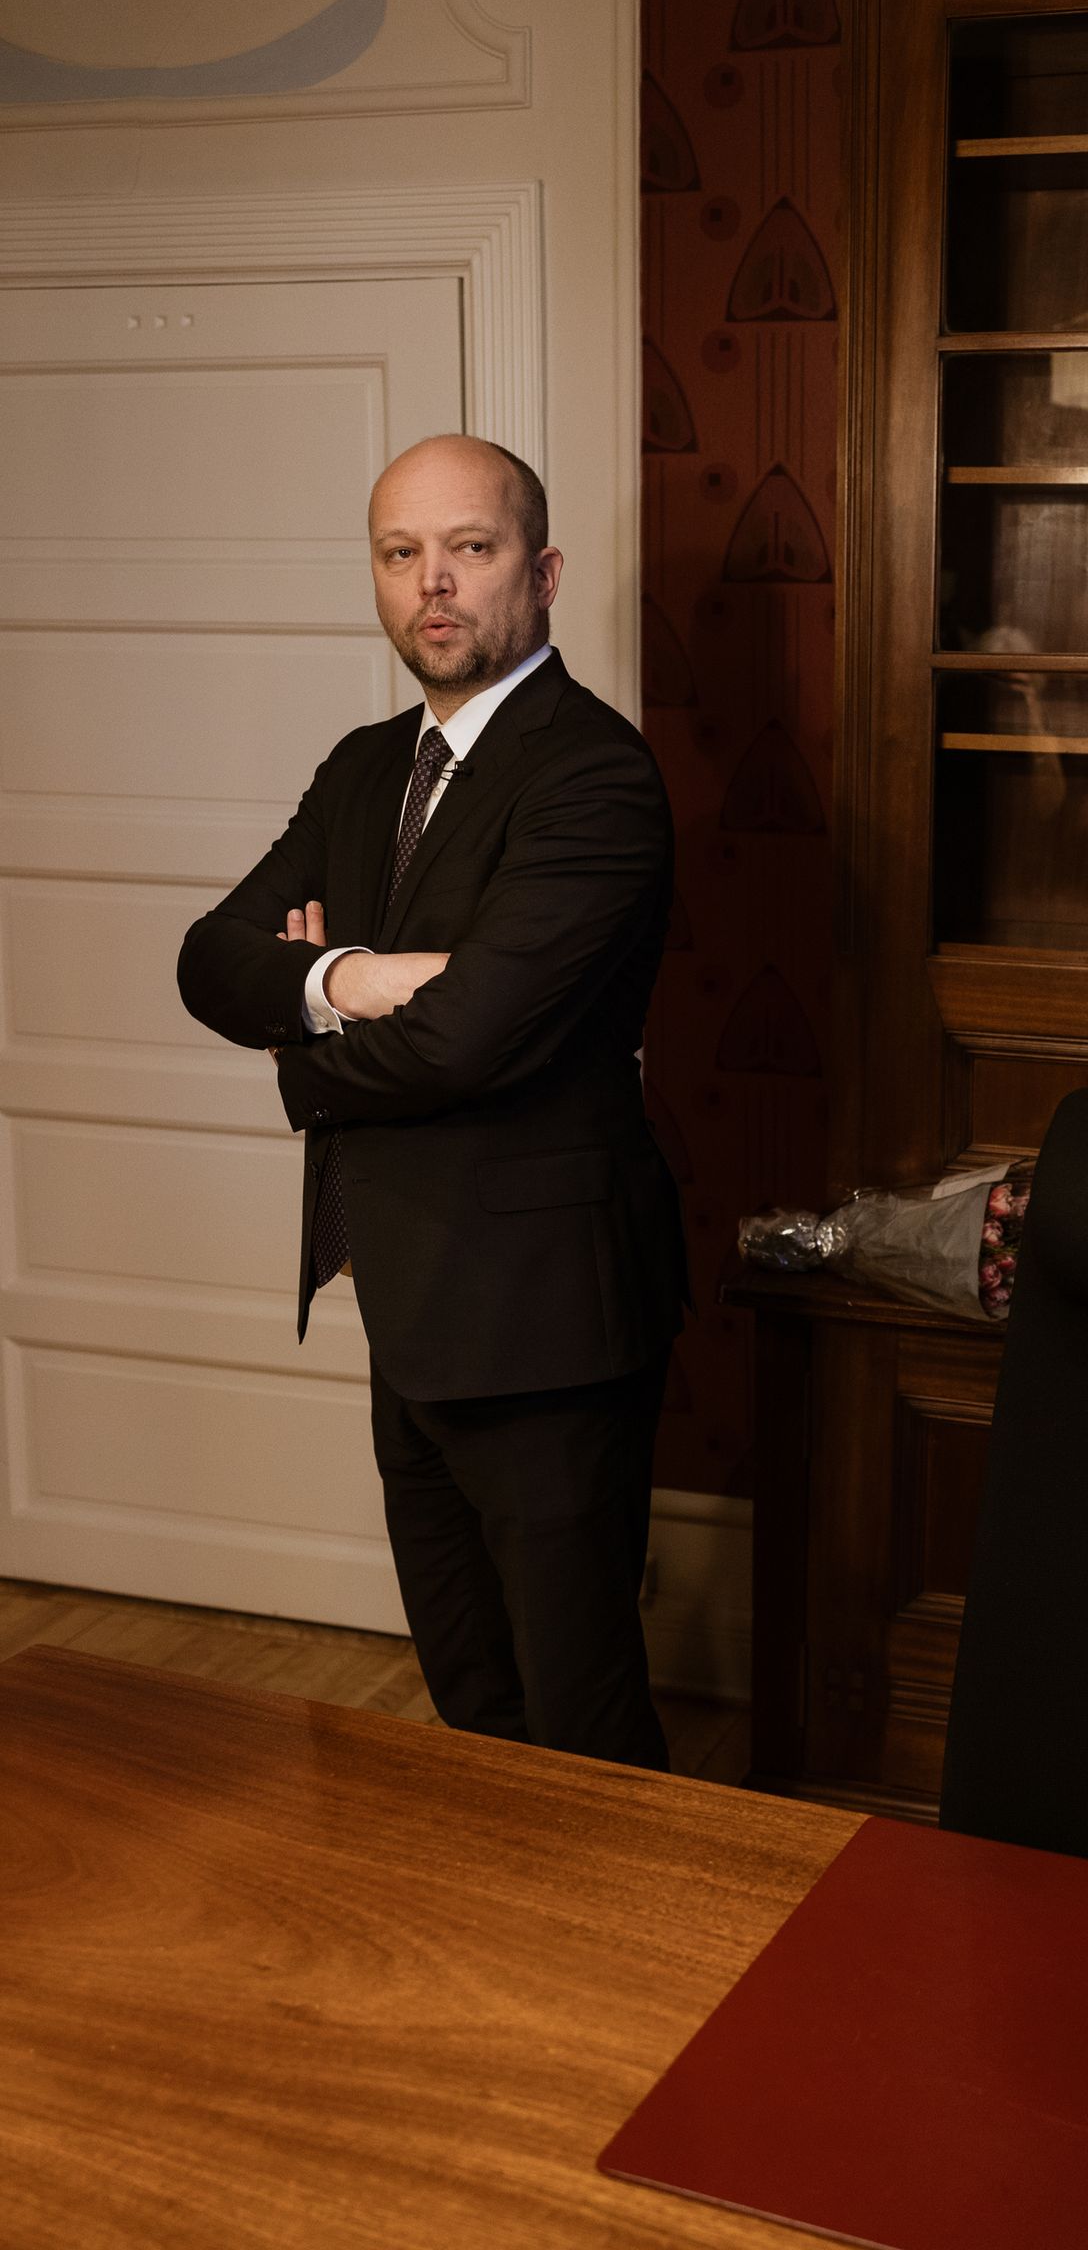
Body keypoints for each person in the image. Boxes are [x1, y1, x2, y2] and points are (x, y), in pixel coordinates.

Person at [177, 434, 686, 1770]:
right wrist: (360, 977)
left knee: (579, 1718)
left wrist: (300, 1033)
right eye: (401, 554)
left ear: (545, 572)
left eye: (471, 547)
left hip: (546, 1322)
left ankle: (627, 1915)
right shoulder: (363, 768)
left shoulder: (593, 776)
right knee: (471, 1698)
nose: (433, 583)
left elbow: (467, 1043)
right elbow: (211, 959)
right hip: (407, 1306)